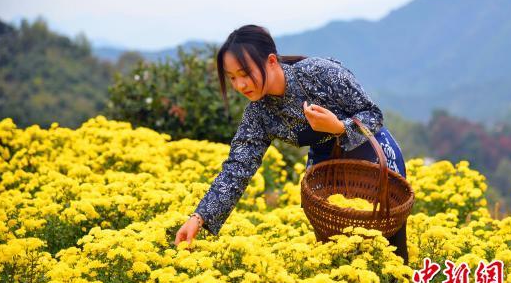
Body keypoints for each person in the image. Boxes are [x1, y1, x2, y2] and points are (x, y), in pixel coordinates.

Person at [174, 24, 409, 265]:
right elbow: (237, 169)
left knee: (389, 253)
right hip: (327, 172)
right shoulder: (258, 114)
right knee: (337, 258)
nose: (240, 85)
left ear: (272, 61)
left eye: (245, 74)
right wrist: (198, 218)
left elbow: (373, 115)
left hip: (374, 158)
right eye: (232, 77)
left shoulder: (318, 73)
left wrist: (339, 128)